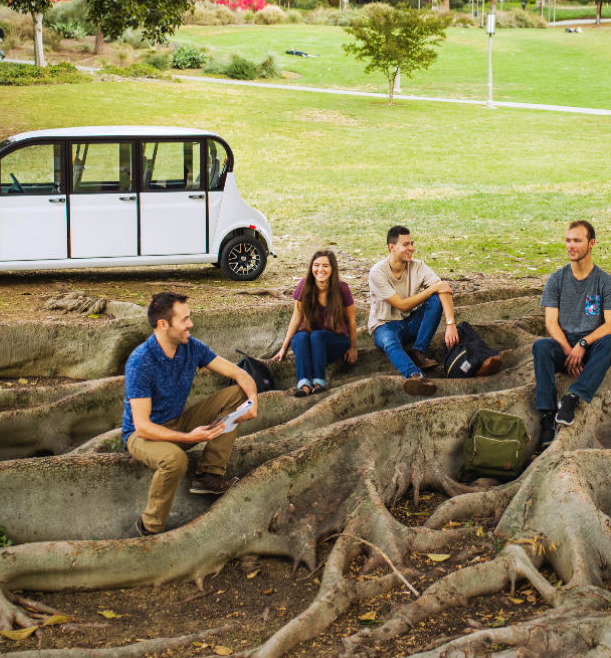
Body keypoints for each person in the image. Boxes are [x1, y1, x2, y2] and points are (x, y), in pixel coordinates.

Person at [123, 292, 258, 537]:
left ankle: (209, 476)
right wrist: (190, 438)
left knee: (238, 394)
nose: (190, 324)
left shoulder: (191, 347)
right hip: (142, 436)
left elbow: (240, 374)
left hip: (178, 423)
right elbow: (141, 426)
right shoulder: (140, 361)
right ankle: (149, 528)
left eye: (189, 318)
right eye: (184, 320)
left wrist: (253, 401)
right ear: (163, 325)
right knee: (176, 460)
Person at [534, 221, 611, 449]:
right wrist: (570, 351)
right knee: (541, 347)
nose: (571, 245)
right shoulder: (556, 279)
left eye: (577, 240)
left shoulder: (605, 282)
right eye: (568, 240)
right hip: (564, 344)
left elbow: (609, 324)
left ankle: (573, 397)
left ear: (592, 243)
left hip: (593, 344)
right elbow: (550, 321)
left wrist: (583, 344)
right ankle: (547, 417)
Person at [369, 226, 459, 397]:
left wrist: (450, 323)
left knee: (436, 299)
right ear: (391, 247)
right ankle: (416, 376)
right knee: (390, 343)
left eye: (412, 243)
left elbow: (443, 290)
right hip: (383, 326)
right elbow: (401, 305)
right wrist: (432, 288)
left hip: (409, 323)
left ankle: (419, 352)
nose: (411, 248)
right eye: (405, 244)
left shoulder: (418, 266)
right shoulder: (377, 272)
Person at [271, 249, 357, 396]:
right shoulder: (304, 286)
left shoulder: (342, 288)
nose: (320, 269)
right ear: (311, 267)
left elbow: (351, 320)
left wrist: (353, 347)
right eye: (316, 265)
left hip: (334, 342)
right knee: (301, 337)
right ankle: (303, 385)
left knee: (318, 336)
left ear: (332, 268)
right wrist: (283, 348)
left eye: (325, 265)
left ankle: (319, 383)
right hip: (308, 342)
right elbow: (296, 318)